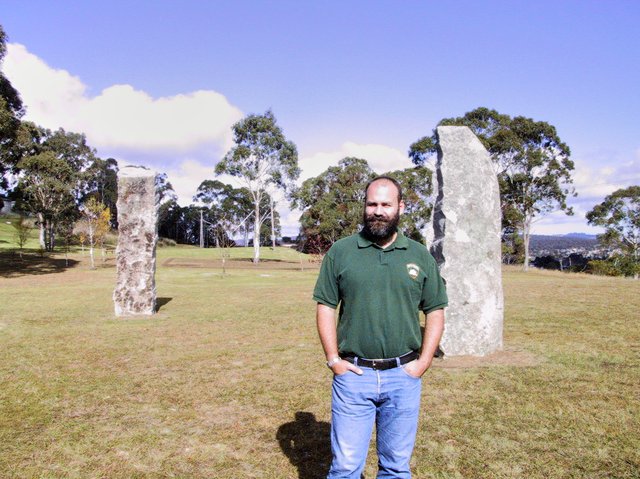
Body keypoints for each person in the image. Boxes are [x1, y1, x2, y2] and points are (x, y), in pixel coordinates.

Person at [313, 176, 448, 478]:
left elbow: (435, 310)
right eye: (372, 203)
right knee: (345, 467)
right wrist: (334, 359)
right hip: (353, 378)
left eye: (386, 204)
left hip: (403, 376)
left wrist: (424, 361)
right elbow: (325, 306)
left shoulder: (418, 255)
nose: (377, 210)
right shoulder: (341, 252)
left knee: (396, 468)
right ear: (364, 207)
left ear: (400, 207)